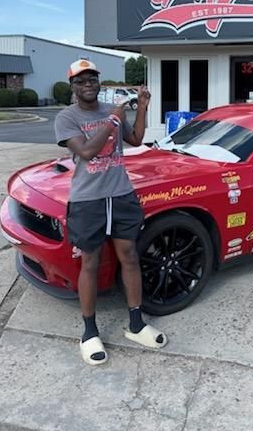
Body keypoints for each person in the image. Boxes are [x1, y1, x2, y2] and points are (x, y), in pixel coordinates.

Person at [54, 58, 167, 366]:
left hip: (121, 194)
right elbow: (86, 151)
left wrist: (141, 108)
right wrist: (113, 121)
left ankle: (136, 324)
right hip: (88, 199)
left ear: (98, 83)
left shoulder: (111, 112)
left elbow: (136, 140)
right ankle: (89, 333)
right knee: (90, 262)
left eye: (92, 79)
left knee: (129, 256)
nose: (87, 84)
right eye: (81, 81)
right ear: (73, 87)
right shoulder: (67, 117)